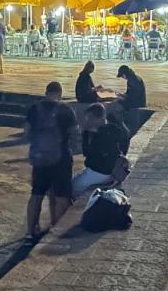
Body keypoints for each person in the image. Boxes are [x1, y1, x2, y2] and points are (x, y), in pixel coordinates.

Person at [24, 81, 78, 239]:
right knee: (61, 196)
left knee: (36, 195)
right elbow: (75, 132)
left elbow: (26, 131)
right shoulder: (66, 109)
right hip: (61, 158)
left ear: (46, 92)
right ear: (60, 94)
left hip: (40, 159)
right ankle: (57, 230)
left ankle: (30, 231)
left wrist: (37, 144)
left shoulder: (35, 108)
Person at [72, 102, 132, 194]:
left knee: (71, 187)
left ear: (98, 119)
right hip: (107, 171)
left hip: (99, 172)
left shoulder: (103, 134)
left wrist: (87, 134)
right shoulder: (112, 129)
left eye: (88, 118)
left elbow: (89, 155)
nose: (86, 121)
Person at [115, 64, 147, 133]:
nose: (122, 78)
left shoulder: (131, 81)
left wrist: (121, 96)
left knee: (116, 103)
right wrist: (122, 95)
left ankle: (120, 123)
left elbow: (131, 97)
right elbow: (130, 94)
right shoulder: (135, 78)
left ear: (124, 74)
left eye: (122, 76)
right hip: (140, 101)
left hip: (136, 104)